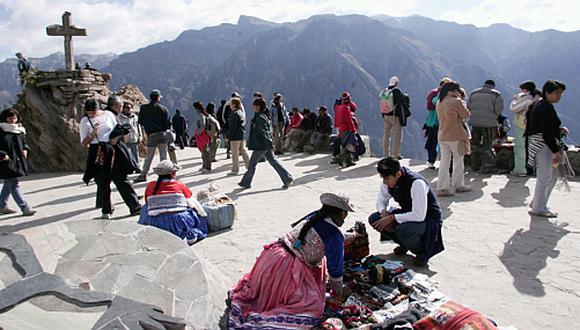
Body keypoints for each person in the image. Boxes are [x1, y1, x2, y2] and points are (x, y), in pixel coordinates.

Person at [228, 192, 357, 328]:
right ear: (343, 213)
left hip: (272, 258)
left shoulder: (314, 216)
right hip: (286, 270)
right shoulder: (333, 234)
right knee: (311, 306)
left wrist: (353, 235)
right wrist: (338, 294)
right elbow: (335, 271)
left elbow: (327, 235)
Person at [368, 157, 444, 267]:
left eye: (387, 178)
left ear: (398, 174)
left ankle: (422, 252)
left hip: (428, 220)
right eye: (382, 178)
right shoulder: (387, 181)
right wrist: (383, 212)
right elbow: (381, 201)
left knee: (403, 230)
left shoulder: (416, 183)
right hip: (408, 213)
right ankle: (404, 244)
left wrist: (392, 218)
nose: (385, 182)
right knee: (375, 219)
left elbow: (419, 215)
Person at [80, 99, 141, 219]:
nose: (91, 114)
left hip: (113, 148)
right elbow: (84, 143)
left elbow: (118, 128)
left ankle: (135, 206)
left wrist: (116, 138)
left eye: (94, 112)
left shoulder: (108, 115)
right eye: (89, 112)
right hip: (97, 150)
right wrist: (93, 133)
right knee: (102, 181)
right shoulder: (85, 121)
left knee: (121, 179)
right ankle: (106, 209)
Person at [138, 160, 208, 244]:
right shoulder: (178, 184)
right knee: (192, 204)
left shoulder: (150, 186)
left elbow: (147, 202)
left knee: (145, 208)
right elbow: (189, 197)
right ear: (172, 173)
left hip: (156, 223)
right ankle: (187, 234)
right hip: (179, 221)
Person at [526, 80, 568, 218]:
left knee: (549, 176)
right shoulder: (545, 107)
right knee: (545, 176)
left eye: (561, 93)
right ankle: (539, 207)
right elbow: (547, 132)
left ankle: (538, 202)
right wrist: (556, 151)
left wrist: (558, 130)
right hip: (544, 147)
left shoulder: (539, 105)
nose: (559, 96)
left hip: (541, 145)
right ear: (547, 93)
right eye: (556, 93)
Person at [238, 98, 293, 189]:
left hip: (262, 145)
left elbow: (264, 133)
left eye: (254, 105)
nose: (252, 107)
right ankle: (287, 178)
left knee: (252, 164)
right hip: (265, 145)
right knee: (273, 162)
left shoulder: (260, 118)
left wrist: (269, 144)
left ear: (258, 107)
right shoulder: (261, 116)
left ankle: (246, 182)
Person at [435, 81, 472, 197]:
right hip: (456, 135)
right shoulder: (456, 102)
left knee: (444, 162)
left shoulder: (439, 102)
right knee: (458, 160)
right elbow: (466, 115)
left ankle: (442, 187)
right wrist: (461, 101)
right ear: (453, 91)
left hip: (442, 135)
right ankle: (458, 185)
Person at [0, 108, 36, 216]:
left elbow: (24, 142)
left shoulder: (19, 130)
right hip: (4, 161)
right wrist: (2, 154)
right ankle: (24, 207)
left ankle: (2, 206)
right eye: (9, 119)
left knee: (8, 183)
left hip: (17, 160)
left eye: (14, 118)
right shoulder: (1, 130)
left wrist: (25, 149)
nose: (12, 121)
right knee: (13, 183)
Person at [134, 89, 172, 183]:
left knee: (149, 156)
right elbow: (168, 124)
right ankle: (165, 175)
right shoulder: (163, 109)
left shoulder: (144, 108)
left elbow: (140, 121)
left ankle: (143, 175)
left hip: (151, 135)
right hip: (162, 134)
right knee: (163, 156)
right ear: (158, 98)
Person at [468, 80, 504, 173]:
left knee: (475, 145)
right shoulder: (496, 94)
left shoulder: (473, 93)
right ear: (493, 86)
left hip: (474, 122)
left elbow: (468, 106)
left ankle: (474, 165)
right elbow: (499, 109)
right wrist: (494, 116)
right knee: (487, 145)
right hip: (489, 123)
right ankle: (486, 167)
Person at [509, 81, 540, 176]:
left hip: (522, 124)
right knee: (533, 147)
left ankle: (520, 169)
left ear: (525, 89)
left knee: (520, 147)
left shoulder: (526, 98)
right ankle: (533, 168)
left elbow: (513, 108)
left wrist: (515, 99)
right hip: (535, 126)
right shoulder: (538, 98)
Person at [424, 77, 453, 169]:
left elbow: (430, 104)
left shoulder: (434, 93)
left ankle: (431, 160)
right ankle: (441, 162)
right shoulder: (441, 95)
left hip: (432, 121)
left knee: (433, 141)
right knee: (443, 142)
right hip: (440, 122)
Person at [379, 76, 405, 159]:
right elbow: (401, 102)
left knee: (386, 135)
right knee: (397, 136)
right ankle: (395, 155)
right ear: (396, 83)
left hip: (386, 115)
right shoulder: (396, 91)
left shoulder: (385, 91)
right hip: (395, 116)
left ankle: (385, 154)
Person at [226, 97, 250, 175]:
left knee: (234, 153)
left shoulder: (234, 113)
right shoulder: (241, 112)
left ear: (234, 104)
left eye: (231, 103)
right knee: (243, 150)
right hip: (241, 135)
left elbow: (232, 127)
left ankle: (235, 170)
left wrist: (228, 136)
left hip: (235, 137)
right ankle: (249, 166)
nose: (229, 105)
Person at [117, 101, 142, 172]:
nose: (129, 109)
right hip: (124, 138)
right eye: (127, 108)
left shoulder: (135, 117)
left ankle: (137, 167)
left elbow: (138, 126)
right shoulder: (119, 117)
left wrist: (140, 136)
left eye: (130, 108)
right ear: (123, 108)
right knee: (126, 154)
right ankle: (129, 168)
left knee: (135, 153)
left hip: (134, 137)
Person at [336, 91, 358, 168]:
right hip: (347, 128)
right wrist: (353, 129)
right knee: (350, 145)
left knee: (345, 144)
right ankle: (341, 157)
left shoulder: (340, 107)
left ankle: (349, 161)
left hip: (341, 128)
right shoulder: (346, 108)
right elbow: (349, 120)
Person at [193, 101, 212, 172]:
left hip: (202, 135)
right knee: (203, 151)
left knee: (204, 151)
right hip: (203, 134)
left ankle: (207, 167)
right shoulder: (203, 114)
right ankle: (205, 165)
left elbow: (203, 125)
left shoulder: (200, 115)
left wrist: (198, 133)